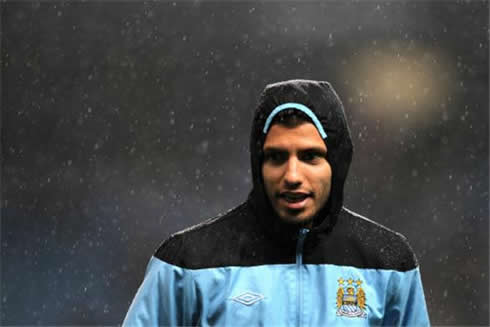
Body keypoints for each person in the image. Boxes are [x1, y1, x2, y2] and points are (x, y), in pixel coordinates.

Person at [122, 79, 430, 326]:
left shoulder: (390, 264)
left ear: (337, 162)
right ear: (258, 165)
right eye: (276, 157)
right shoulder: (185, 265)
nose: (292, 175)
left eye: (310, 156)